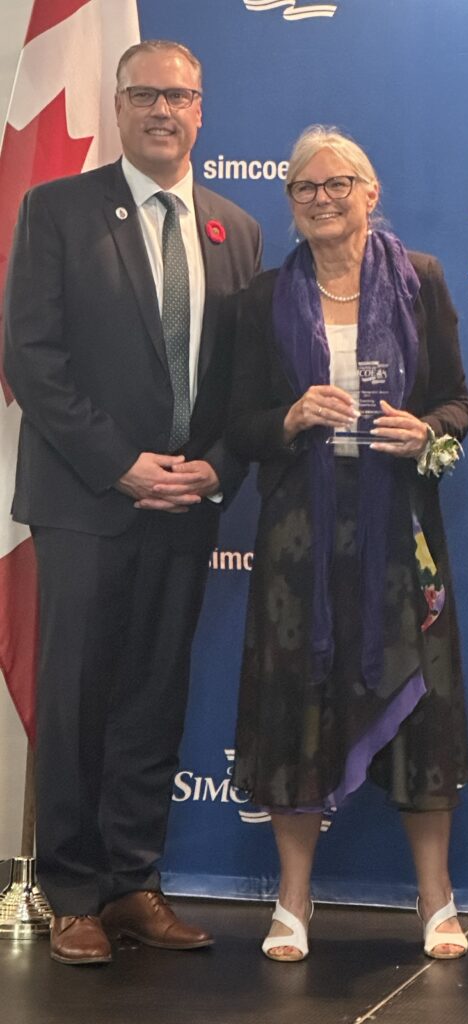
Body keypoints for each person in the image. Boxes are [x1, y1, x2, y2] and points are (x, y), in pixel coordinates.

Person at [3, 40, 262, 965]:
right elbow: (32, 356)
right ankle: (70, 895)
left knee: (154, 699)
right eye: (146, 94)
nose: (164, 110)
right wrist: (122, 465)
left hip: (187, 508)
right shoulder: (57, 210)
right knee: (77, 697)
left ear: (202, 111)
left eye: (181, 96)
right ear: (118, 107)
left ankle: (130, 884)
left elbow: (245, 382)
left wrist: (217, 466)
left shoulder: (236, 227)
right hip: (86, 502)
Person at [228, 125, 468, 962]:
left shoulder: (422, 282)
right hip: (299, 536)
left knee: (425, 710)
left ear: (372, 194)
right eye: (306, 187)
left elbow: (459, 405)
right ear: (290, 204)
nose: (324, 198)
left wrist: (425, 429)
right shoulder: (261, 299)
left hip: (401, 531)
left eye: (340, 184)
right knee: (295, 707)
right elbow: (237, 424)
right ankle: (292, 900)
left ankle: (436, 901)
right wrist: (291, 416)